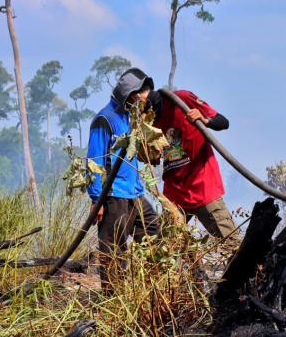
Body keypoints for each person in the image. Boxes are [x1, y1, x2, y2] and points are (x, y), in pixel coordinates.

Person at [86, 67, 161, 292]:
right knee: (113, 249)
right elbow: (94, 159)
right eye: (138, 96)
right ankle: (114, 299)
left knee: (152, 232)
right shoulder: (104, 119)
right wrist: (96, 198)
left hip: (135, 192)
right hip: (113, 195)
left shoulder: (130, 118)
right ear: (128, 94)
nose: (140, 101)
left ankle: (152, 289)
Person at [148, 88, 236, 238]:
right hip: (174, 195)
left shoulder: (181, 99)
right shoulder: (146, 122)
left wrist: (205, 120)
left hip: (202, 188)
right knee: (164, 251)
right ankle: (194, 261)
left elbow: (223, 122)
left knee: (231, 244)